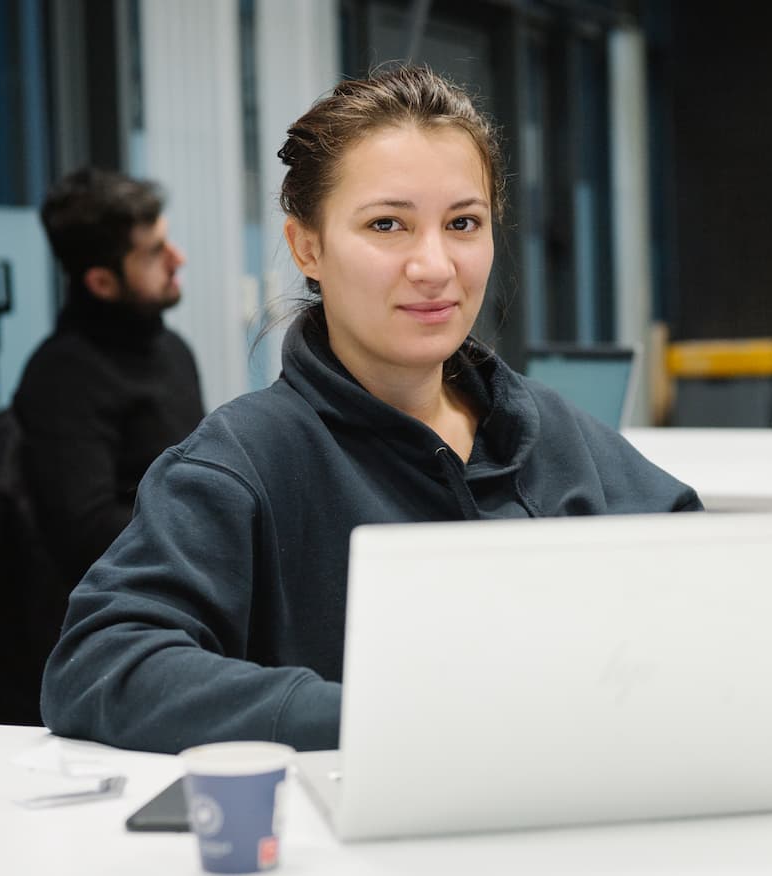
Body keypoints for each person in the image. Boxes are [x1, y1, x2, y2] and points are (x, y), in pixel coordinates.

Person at [40, 66, 702, 755]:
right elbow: (101, 666)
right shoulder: (244, 462)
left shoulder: (548, 431)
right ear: (309, 248)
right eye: (387, 224)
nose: (434, 264)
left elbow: (714, 588)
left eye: (464, 223)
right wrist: (370, 722)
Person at [0, 168, 203, 725]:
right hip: (110, 635)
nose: (177, 258)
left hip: (185, 595)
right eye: (154, 251)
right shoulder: (63, 375)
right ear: (102, 282)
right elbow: (87, 533)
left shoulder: (173, 352)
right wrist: (204, 531)